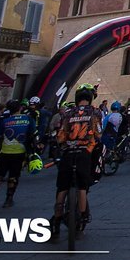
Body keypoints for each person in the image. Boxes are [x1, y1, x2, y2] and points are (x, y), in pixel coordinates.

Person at [50, 84, 103, 241]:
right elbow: (98, 134)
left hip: (68, 153)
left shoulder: (68, 113)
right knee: (82, 187)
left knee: (62, 188)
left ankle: (56, 224)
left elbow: (60, 136)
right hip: (84, 153)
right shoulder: (95, 112)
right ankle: (81, 220)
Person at [0, 100, 35, 209]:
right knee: (13, 176)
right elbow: (32, 133)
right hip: (19, 152)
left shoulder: (5, 121)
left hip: (5, 152)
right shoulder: (28, 119)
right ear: (20, 108)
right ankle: (8, 199)